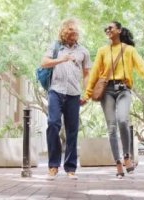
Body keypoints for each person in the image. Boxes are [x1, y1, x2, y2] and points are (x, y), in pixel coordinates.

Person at [82, 21, 144, 179]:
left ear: (119, 30)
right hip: (107, 91)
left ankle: (127, 156)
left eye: (110, 28)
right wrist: (87, 95)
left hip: (123, 90)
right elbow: (95, 73)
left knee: (123, 120)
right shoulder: (102, 51)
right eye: (106, 28)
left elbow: (141, 65)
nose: (107, 30)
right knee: (111, 127)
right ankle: (117, 162)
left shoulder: (129, 50)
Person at [40, 18, 91, 180]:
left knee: (72, 131)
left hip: (74, 94)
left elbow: (87, 74)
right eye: (70, 31)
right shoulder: (56, 47)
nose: (73, 34)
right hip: (56, 91)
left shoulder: (83, 51)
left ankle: (70, 168)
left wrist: (87, 93)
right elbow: (44, 63)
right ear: (64, 32)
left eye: (75, 32)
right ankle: (53, 166)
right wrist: (61, 59)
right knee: (53, 123)